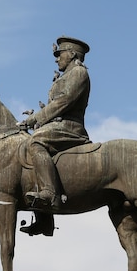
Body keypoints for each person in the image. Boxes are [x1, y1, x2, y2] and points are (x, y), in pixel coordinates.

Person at [19, 36, 92, 236]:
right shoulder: (64, 76)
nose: (57, 58)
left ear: (72, 54)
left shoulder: (78, 73)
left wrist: (34, 119)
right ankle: (44, 220)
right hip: (56, 126)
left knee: (36, 143)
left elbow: (63, 102)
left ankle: (50, 194)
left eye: (60, 54)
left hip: (70, 128)